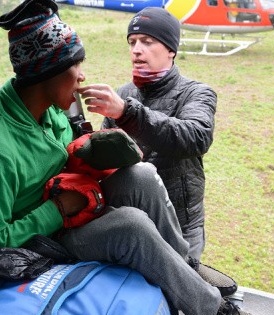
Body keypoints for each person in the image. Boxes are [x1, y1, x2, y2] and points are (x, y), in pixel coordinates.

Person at [0, 1, 274, 315]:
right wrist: (56, 210)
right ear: (49, 72)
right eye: (77, 65)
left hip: (74, 200)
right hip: (50, 235)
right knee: (131, 225)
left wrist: (92, 152)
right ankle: (212, 312)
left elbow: (191, 136)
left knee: (141, 174)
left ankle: (185, 265)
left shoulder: (50, 110)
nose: (82, 75)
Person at [78, 7, 214, 261]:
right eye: (132, 42)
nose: (136, 49)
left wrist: (127, 112)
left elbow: (196, 137)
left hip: (182, 226)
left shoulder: (196, 93)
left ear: (171, 49)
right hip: (135, 222)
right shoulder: (124, 93)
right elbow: (106, 163)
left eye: (147, 42)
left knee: (182, 291)